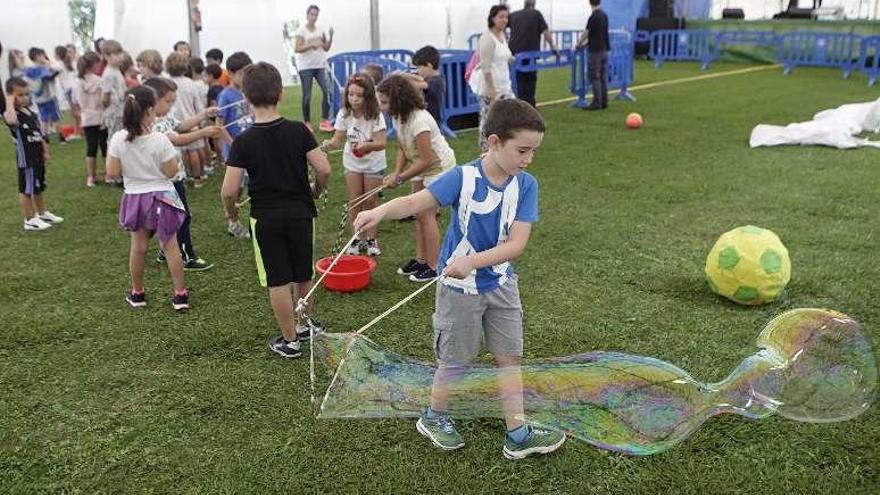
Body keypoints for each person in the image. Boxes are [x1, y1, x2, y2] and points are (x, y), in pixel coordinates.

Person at [353, 98, 565, 459]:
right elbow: (416, 202)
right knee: (455, 360)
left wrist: (475, 262)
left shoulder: (526, 185)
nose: (528, 159)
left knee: (509, 357)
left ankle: (517, 431)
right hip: (459, 291)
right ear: (494, 142)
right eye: (522, 150)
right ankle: (434, 416)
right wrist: (380, 211)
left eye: (533, 151)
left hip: (501, 285)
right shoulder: (463, 178)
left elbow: (516, 245)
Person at [220, 62, 332, 358]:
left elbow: (229, 190)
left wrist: (232, 212)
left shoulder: (243, 141)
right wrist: (315, 191)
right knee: (302, 273)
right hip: (300, 213)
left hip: (266, 218)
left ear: (246, 98)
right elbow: (323, 169)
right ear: (281, 94)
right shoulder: (299, 131)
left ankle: (291, 339)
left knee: (278, 279)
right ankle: (304, 325)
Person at [106, 85, 190, 310]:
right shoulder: (160, 139)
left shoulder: (118, 139)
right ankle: (180, 295)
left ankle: (137, 293)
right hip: (163, 196)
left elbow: (112, 172)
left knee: (138, 246)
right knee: (171, 246)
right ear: (151, 110)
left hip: (135, 197)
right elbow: (172, 172)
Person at [375, 74, 456, 283]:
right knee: (417, 214)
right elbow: (403, 147)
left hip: (438, 169)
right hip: (421, 165)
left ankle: (434, 266)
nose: (381, 107)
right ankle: (421, 260)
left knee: (426, 217)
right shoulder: (399, 116)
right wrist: (396, 172)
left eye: (384, 102)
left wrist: (400, 178)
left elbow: (428, 159)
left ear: (398, 99)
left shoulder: (420, 120)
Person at [144, 77, 223, 271]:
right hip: (168, 181)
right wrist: (204, 133)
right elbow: (178, 139)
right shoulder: (155, 125)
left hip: (172, 178)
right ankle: (188, 256)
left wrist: (204, 113)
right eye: (168, 101)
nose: (172, 106)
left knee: (168, 217)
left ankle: (166, 249)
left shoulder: (164, 119)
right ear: (154, 102)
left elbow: (182, 125)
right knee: (182, 216)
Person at [321, 74, 387, 256]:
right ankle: (356, 239)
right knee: (355, 200)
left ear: (367, 96)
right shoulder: (344, 114)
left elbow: (382, 143)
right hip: (352, 163)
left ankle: (372, 240)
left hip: (374, 163)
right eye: (351, 94)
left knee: (371, 201)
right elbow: (337, 139)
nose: (354, 99)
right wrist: (330, 144)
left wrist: (366, 146)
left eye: (359, 95)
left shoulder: (376, 115)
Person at [3, 77, 65, 231]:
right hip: (27, 160)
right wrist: (9, 100)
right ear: (11, 95)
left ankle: (42, 213)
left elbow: (39, 132)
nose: (24, 98)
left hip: (37, 156)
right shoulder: (11, 113)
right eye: (19, 95)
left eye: (26, 94)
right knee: (26, 189)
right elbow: (10, 120)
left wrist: (45, 151)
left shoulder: (30, 111)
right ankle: (29, 219)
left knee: (38, 187)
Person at [217, 51, 254, 238]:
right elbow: (219, 126)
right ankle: (233, 221)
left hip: (251, 149)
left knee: (250, 185)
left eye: (247, 73)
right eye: (241, 73)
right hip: (235, 152)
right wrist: (234, 145)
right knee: (235, 189)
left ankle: (252, 220)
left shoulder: (248, 92)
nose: (244, 77)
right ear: (230, 74)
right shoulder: (225, 96)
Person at [469, 4, 514, 152]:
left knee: (509, 117)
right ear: (492, 18)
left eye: (506, 17)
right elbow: (486, 66)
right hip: (491, 88)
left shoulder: (503, 36)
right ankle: (485, 151)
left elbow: (502, 56)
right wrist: (491, 90)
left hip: (504, 86)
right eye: (501, 17)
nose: (504, 20)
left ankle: (501, 149)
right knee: (488, 120)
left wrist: (510, 58)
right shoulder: (487, 38)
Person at [508, 0, 560, 108]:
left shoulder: (513, 15)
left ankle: (520, 105)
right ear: (534, 4)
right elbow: (546, 33)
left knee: (517, 81)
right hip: (529, 54)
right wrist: (553, 47)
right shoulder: (536, 14)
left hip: (514, 54)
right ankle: (529, 107)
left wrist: (505, 42)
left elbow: (502, 27)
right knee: (530, 81)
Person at [166, 52, 207, 187]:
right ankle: (197, 177)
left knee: (181, 152)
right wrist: (201, 120)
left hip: (175, 122)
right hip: (191, 120)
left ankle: (183, 176)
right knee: (193, 151)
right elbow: (198, 105)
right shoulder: (191, 83)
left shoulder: (167, 83)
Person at [294, 4, 335, 133]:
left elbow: (326, 47)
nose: (314, 17)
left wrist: (330, 36)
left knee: (327, 91)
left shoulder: (320, 30)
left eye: (316, 14)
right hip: (305, 67)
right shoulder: (301, 31)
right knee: (307, 95)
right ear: (307, 15)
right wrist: (311, 45)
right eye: (312, 14)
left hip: (319, 65)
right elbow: (297, 48)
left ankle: (324, 121)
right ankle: (307, 123)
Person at [73, 51, 108, 187]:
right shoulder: (100, 81)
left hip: (87, 118)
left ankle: (91, 178)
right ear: (93, 65)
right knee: (105, 146)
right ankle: (108, 174)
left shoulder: (78, 82)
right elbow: (103, 100)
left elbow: (77, 101)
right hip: (101, 116)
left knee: (91, 147)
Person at [575, 0, 610, 111]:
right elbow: (598, 34)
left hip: (595, 51)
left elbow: (587, 33)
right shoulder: (604, 15)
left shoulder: (593, 17)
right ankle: (604, 101)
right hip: (604, 49)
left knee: (594, 76)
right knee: (603, 77)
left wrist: (578, 44)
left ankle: (596, 102)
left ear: (590, 3)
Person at [26, 48, 64, 143]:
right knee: (55, 117)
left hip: (39, 99)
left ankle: (45, 137)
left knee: (44, 118)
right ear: (37, 57)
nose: (44, 57)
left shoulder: (31, 69)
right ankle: (61, 137)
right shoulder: (43, 67)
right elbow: (57, 71)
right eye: (42, 55)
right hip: (49, 97)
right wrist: (47, 63)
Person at [408, 45, 445, 125]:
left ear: (429, 66)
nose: (417, 71)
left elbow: (420, 85)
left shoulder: (437, 81)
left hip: (432, 122)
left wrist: (403, 80)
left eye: (419, 67)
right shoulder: (427, 77)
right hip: (424, 120)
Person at [100, 40, 127, 142]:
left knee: (121, 138)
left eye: (121, 53)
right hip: (114, 113)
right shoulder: (108, 74)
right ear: (106, 56)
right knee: (114, 140)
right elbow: (105, 97)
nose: (120, 57)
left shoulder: (117, 70)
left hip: (121, 111)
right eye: (116, 54)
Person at [55, 45, 82, 139]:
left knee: (75, 113)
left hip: (71, 90)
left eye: (71, 51)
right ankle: (79, 131)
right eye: (68, 52)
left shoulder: (68, 64)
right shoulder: (69, 63)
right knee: (75, 112)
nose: (69, 54)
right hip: (72, 90)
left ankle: (78, 132)